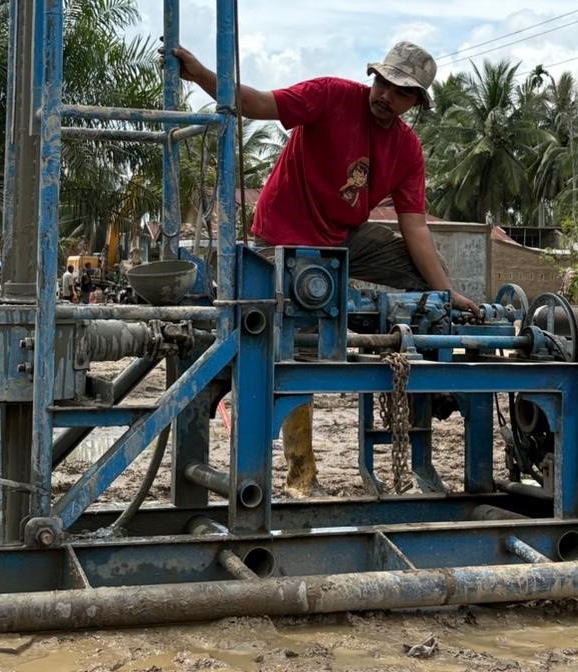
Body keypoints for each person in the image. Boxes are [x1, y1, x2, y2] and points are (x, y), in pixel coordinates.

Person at [174, 40, 479, 495]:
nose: (386, 96)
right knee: (292, 346)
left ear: (414, 102)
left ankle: (421, 383)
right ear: (373, 77)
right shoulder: (330, 96)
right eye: (383, 83)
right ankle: (302, 478)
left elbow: (415, 229)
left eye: (400, 93)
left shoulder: (407, 150)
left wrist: (446, 294)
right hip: (281, 236)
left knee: (423, 292)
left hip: (341, 240)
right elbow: (257, 103)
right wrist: (200, 73)